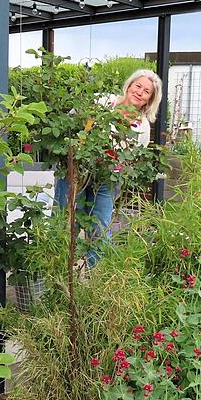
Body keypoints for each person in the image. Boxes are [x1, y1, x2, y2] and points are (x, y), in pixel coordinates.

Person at [53, 69, 163, 266]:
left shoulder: (142, 127)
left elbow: (133, 159)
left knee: (100, 226)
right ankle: (57, 269)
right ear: (129, 85)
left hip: (107, 178)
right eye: (138, 86)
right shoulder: (103, 101)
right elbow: (72, 121)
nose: (140, 92)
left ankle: (97, 278)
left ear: (149, 100)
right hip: (78, 168)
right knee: (66, 219)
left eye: (146, 92)